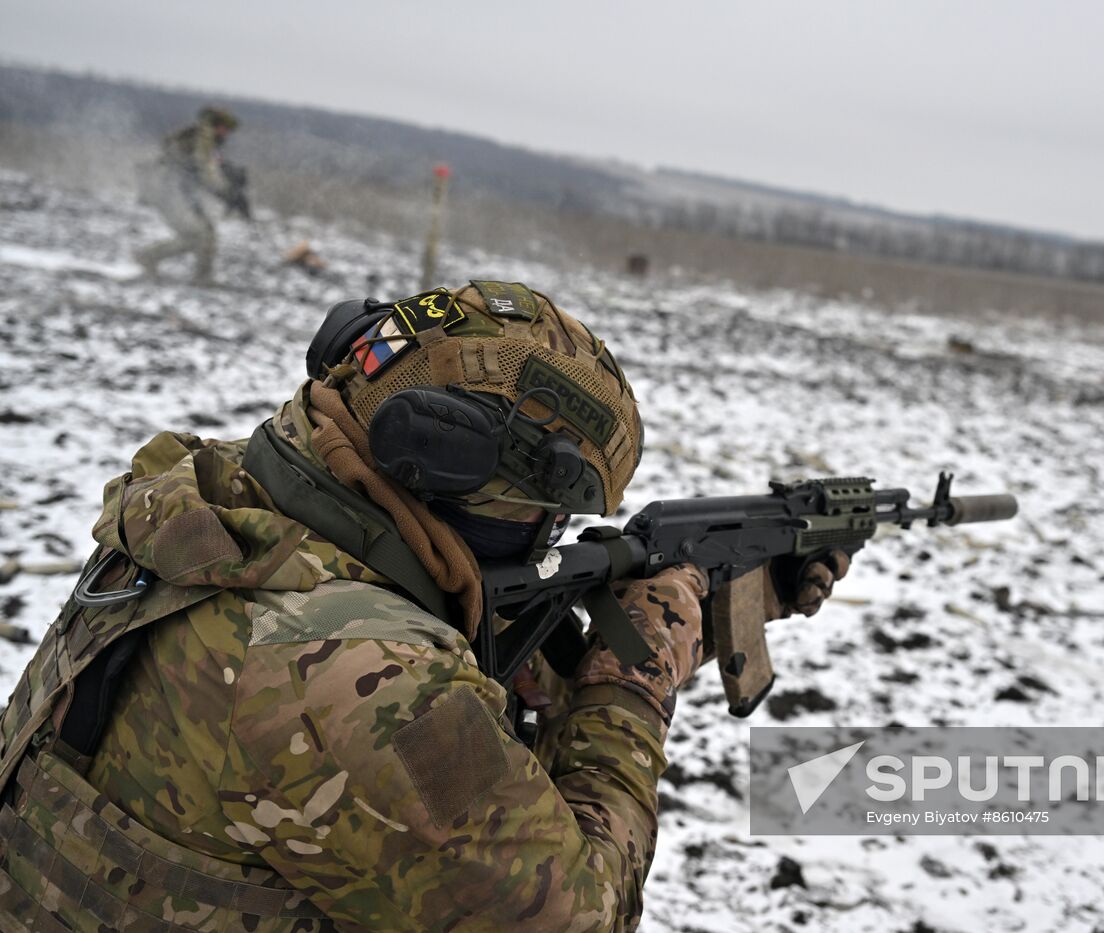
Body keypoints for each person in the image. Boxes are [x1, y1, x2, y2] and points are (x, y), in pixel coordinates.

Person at [0, 281, 845, 931]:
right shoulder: (363, 679)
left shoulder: (213, 510)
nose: (554, 540)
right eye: (550, 522)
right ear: (450, 477)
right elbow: (582, 912)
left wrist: (731, 594)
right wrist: (634, 677)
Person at [135, 106, 249, 285]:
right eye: (225, 129)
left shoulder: (198, 138)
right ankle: (150, 257)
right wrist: (227, 191)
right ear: (217, 125)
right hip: (170, 191)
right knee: (201, 234)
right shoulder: (204, 139)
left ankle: (198, 275)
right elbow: (206, 171)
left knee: (205, 233)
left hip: (175, 191)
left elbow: (203, 170)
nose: (226, 134)